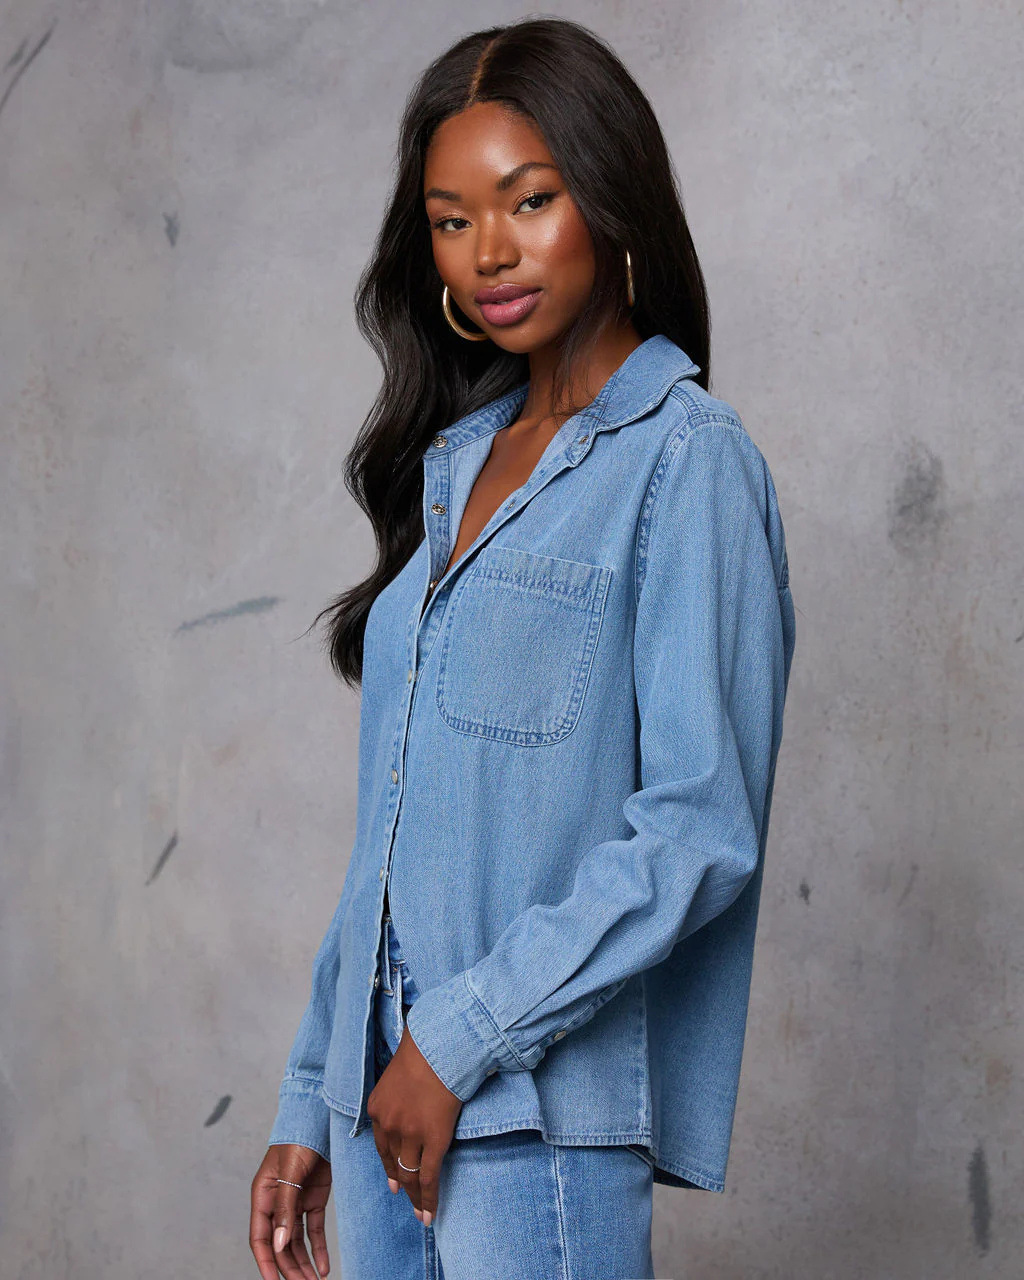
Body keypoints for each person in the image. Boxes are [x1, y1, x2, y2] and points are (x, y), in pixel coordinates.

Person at [249, 16, 795, 1280]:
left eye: (528, 200)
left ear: (611, 197)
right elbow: (390, 837)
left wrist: (458, 1039)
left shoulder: (686, 462)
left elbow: (699, 827)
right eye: (451, 219)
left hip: (526, 1124)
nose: (487, 250)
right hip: (379, 1108)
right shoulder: (451, 466)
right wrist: (310, 1093)